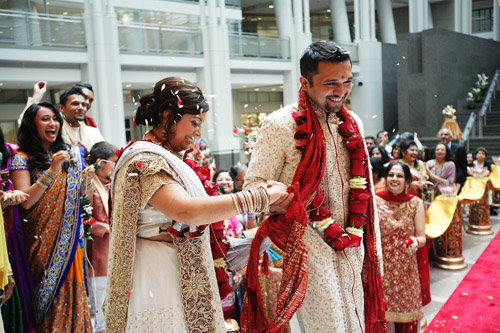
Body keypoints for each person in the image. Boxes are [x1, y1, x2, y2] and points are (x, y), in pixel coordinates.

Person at [104, 77, 289, 332]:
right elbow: (186, 211)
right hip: (158, 278)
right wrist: (260, 197)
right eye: (194, 123)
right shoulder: (146, 161)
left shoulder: (169, 158)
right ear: (168, 116)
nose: (198, 133)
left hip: (180, 270)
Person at [243, 41, 386, 332]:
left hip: (354, 243)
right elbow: (254, 186)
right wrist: (290, 197)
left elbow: (366, 190)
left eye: (347, 81)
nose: (341, 90)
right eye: (330, 83)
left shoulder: (353, 122)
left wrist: (373, 250)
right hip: (308, 248)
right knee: (328, 325)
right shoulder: (280, 125)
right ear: (305, 82)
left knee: (355, 319)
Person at [11, 102, 92, 331]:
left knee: (74, 292)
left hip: (69, 241)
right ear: (31, 125)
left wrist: (86, 185)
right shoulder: (22, 158)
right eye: (45, 119)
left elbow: (78, 197)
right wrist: (52, 170)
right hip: (41, 243)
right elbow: (25, 200)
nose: (52, 123)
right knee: (49, 297)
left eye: (55, 118)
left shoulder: (71, 155)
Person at [375, 161, 426, 332]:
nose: (394, 179)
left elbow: (421, 237)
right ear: (385, 178)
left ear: (407, 182)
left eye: (399, 176)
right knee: (381, 315)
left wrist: (414, 242)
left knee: (406, 315)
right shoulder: (375, 200)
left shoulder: (415, 203)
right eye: (391, 175)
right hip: (382, 269)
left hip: (406, 269)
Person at [85, 141, 118, 333]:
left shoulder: (110, 185)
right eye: (113, 162)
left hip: (115, 257)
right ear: (100, 162)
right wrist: (104, 227)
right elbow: (83, 219)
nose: (116, 166)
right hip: (98, 259)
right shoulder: (89, 185)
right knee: (102, 318)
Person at [59, 87, 104, 152]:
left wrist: (87, 156)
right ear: (62, 108)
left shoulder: (94, 132)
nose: (81, 108)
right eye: (75, 104)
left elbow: (105, 157)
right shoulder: (56, 132)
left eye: (83, 105)